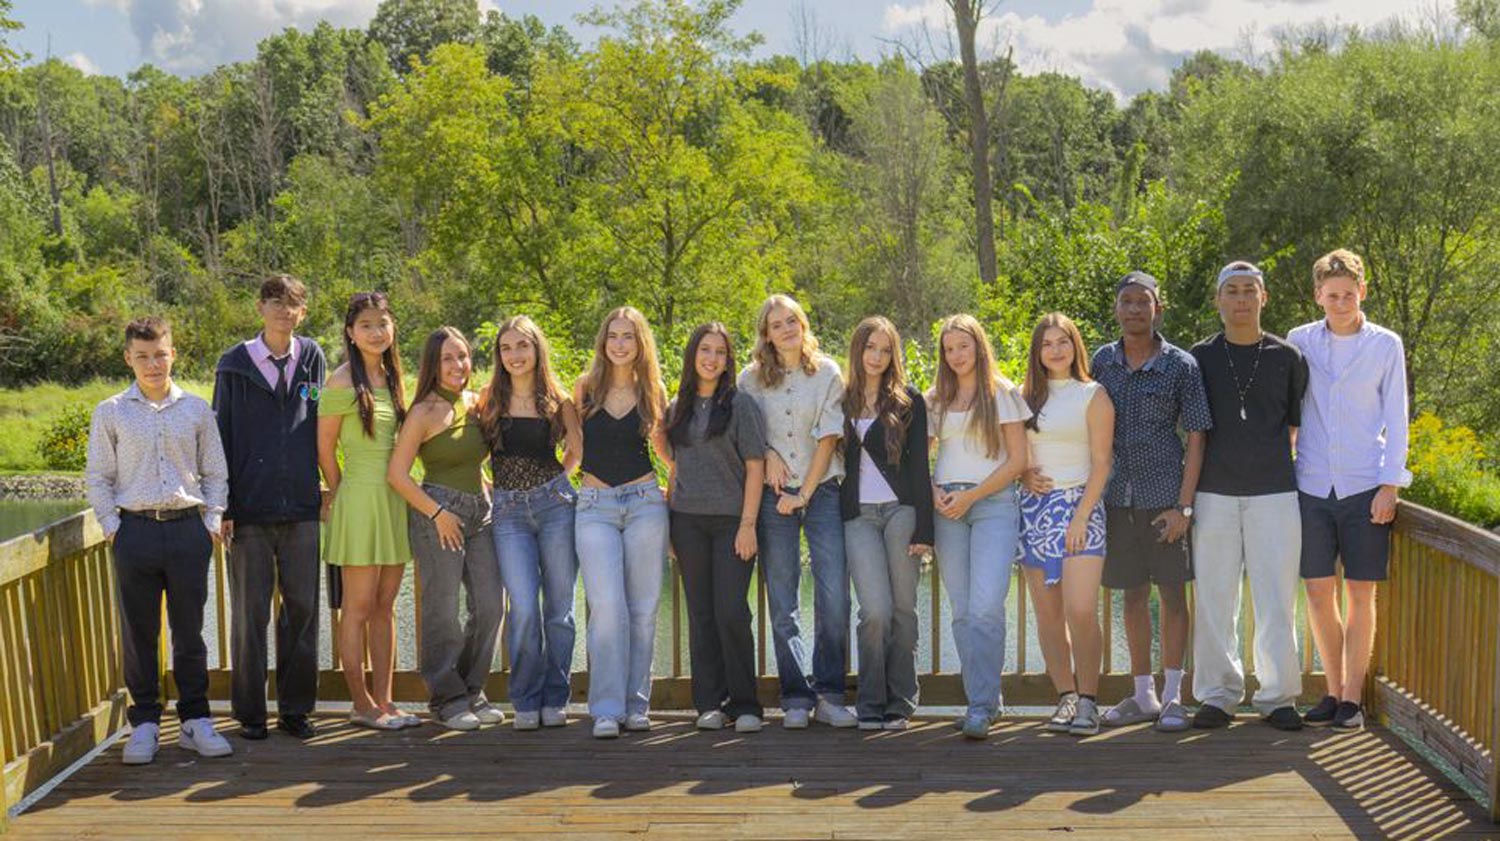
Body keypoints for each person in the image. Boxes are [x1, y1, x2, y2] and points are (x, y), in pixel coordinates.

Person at [85, 316, 234, 765]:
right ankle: (145, 722)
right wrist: (113, 527)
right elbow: (98, 477)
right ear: (129, 358)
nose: (153, 364)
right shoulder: (110, 411)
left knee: (190, 632)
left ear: (173, 354)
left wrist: (211, 521)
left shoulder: (196, 409)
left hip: (189, 529)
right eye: (143, 356)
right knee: (139, 632)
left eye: (160, 354)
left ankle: (195, 720)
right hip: (135, 532)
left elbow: (216, 472)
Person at [1288, 250, 1410, 731]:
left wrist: (1390, 485)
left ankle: (1353, 701)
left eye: (1348, 293)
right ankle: (1333, 690)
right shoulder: (1300, 342)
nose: (1340, 302)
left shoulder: (1386, 345)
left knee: (1360, 592)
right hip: (1312, 483)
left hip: (1364, 485)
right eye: (1330, 294)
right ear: (1318, 295)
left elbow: (1397, 418)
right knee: (1318, 592)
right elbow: (1290, 410)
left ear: (1363, 291)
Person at [1090, 273, 1212, 733]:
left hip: (1165, 502)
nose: (1135, 310)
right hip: (1117, 498)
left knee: (1173, 597)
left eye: (1144, 302)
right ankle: (1143, 695)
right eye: (1126, 302)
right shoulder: (1102, 361)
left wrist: (1184, 508)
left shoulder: (1182, 365)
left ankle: (1175, 696)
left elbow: (1197, 435)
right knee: (1132, 597)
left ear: (1158, 308)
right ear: (1117, 309)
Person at [1190, 261, 1310, 731]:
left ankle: (1278, 696)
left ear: (1264, 298)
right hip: (1214, 493)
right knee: (1215, 598)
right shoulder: (1200, 357)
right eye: (1232, 291)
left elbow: (1296, 426)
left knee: (1277, 598)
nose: (1241, 299)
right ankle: (1219, 695)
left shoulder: (1288, 357)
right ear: (1219, 301)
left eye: (1249, 291)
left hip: (1275, 493)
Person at [213, 274, 326, 742]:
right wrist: (223, 506)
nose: (284, 310)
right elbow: (220, 438)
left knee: (302, 612)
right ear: (260, 308)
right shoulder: (234, 365)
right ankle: (251, 714)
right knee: (249, 615)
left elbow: (320, 422)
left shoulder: (313, 358)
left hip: (302, 506)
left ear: (302, 312)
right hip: (250, 509)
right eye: (275, 302)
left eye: (293, 304)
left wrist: (327, 484)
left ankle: (296, 710)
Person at [738, 294, 855, 728]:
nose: (786, 329)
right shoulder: (750, 380)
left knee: (833, 596)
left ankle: (829, 694)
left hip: (821, 491)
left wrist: (804, 493)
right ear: (766, 334)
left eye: (792, 321)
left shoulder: (826, 372)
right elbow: (746, 434)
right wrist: (768, 451)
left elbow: (829, 436)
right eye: (776, 324)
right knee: (783, 599)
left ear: (803, 325)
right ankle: (796, 699)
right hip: (772, 496)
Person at [387, 327, 506, 731]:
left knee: (490, 605)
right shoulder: (423, 411)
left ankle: (472, 688)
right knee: (442, 610)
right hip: (439, 515)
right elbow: (398, 475)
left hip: (481, 513)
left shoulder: (477, 404)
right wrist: (438, 514)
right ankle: (446, 697)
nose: (458, 365)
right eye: (448, 359)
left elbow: (475, 459)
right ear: (433, 366)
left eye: (463, 356)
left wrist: (485, 485)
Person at [928, 314, 1031, 740]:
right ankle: (983, 699)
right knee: (963, 609)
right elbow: (921, 454)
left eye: (963, 347)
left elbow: (1018, 461)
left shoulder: (1002, 394)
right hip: (946, 506)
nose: (956, 356)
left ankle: (982, 705)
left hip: (992, 504)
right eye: (949, 349)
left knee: (987, 606)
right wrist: (933, 491)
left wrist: (971, 496)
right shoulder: (934, 398)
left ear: (978, 347)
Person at [318, 291, 417, 731]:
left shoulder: (395, 378)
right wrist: (340, 496)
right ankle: (360, 704)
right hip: (359, 499)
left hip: (394, 499)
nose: (376, 332)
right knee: (356, 607)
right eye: (366, 326)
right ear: (351, 334)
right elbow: (324, 449)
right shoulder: (340, 381)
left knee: (385, 606)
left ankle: (386, 700)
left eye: (383, 323)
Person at [573, 307, 672, 739]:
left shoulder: (653, 389)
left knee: (643, 609)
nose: (619, 344)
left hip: (645, 502)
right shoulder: (585, 388)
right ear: (603, 341)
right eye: (613, 335)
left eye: (628, 336)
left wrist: (685, 488)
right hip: (594, 504)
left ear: (640, 343)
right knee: (607, 609)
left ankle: (636, 705)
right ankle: (606, 709)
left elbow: (667, 453)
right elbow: (572, 451)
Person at [664, 323, 768, 734]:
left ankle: (745, 705)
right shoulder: (678, 407)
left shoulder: (741, 406)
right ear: (693, 356)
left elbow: (755, 467)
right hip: (687, 522)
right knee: (701, 613)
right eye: (705, 350)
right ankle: (709, 703)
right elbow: (677, 467)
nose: (712, 358)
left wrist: (748, 525)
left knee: (731, 610)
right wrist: (671, 522)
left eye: (720, 352)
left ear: (728, 359)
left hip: (731, 523)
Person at [482, 315, 583, 731]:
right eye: (506, 348)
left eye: (522, 346)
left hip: (555, 506)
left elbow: (575, 453)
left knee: (559, 609)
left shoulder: (558, 401)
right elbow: (471, 453)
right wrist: (487, 486)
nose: (514, 355)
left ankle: (555, 697)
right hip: (507, 513)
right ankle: (524, 698)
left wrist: (558, 483)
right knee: (523, 607)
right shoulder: (488, 400)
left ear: (537, 349)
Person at [1019, 314, 1115, 736]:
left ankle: (1089, 701)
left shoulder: (1093, 395)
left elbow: (1102, 463)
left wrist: (1080, 516)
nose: (1055, 350)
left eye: (1063, 342)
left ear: (1075, 346)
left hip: (1082, 508)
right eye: (1046, 344)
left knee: (1079, 609)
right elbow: (1014, 454)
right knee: (1048, 614)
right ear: (1037, 353)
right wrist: (1023, 475)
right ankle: (1065, 698)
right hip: (1035, 511)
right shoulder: (1023, 398)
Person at [839, 316, 933, 732]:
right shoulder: (840, 400)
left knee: (902, 609)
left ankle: (901, 701)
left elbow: (918, 470)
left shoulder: (909, 400)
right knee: (873, 611)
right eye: (869, 348)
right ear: (857, 350)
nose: (876, 357)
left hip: (901, 512)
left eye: (884, 349)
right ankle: (870, 702)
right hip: (858, 516)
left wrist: (925, 530)